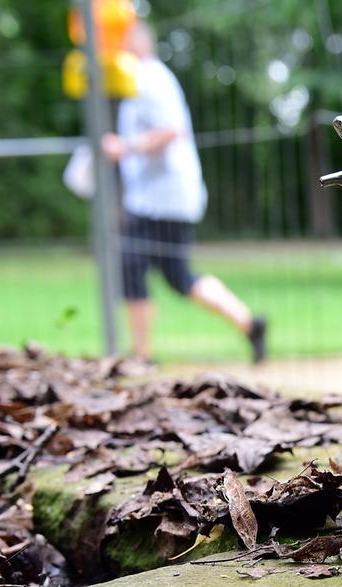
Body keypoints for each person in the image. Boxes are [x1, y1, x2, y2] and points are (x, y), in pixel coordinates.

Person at [101, 21, 266, 363]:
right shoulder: (142, 80)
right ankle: (250, 325)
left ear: (136, 44)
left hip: (161, 197)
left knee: (130, 265)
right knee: (179, 277)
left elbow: (169, 131)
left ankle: (142, 356)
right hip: (160, 196)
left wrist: (124, 147)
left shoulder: (149, 78)